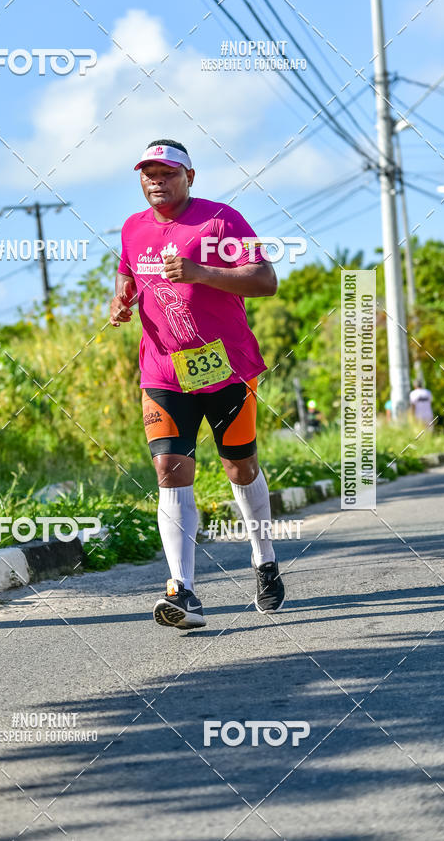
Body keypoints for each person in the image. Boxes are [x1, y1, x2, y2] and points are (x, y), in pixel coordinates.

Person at [109, 139, 285, 630]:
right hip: (163, 371)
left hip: (225, 367)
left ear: (190, 176)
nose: (156, 181)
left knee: (240, 466)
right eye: (148, 173)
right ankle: (183, 590)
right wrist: (121, 301)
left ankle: (263, 558)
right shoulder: (133, 228)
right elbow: (125, 276)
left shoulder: (220, 221)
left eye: (167, 173)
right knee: (169, 466)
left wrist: (201, 272)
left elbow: (266, 280)